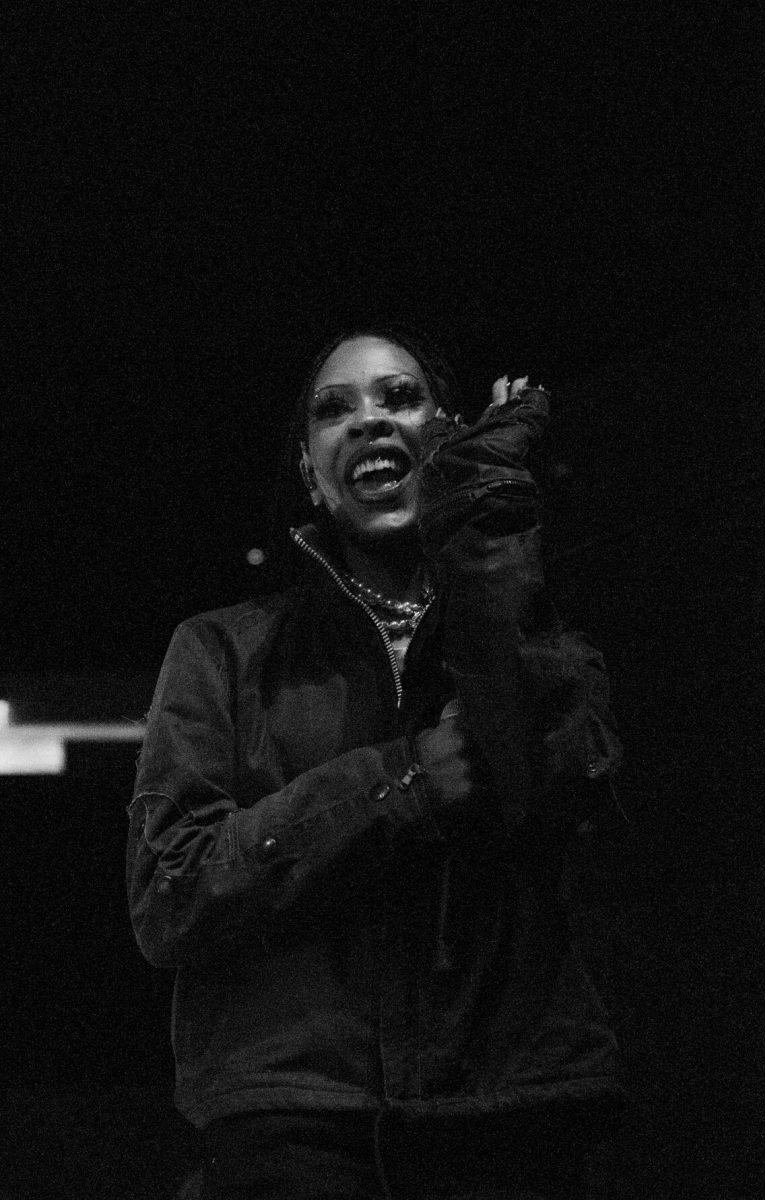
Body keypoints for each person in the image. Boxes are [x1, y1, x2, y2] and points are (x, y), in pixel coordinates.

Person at [126, 326, 626, 1199]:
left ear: (449, 432)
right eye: (335, 410)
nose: (368, 421)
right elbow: (171, 894)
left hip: (511, 1119)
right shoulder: (222, 651)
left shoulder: (539, 629)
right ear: (314, 476)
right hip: (297, 1123)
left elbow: (554, 799)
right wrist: (398, 786)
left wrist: (491, 536)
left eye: (399, 398)